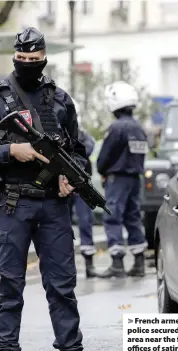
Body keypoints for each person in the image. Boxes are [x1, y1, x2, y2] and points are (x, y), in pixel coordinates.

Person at [0, 27, 111, 351]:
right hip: (13, 204)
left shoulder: (59, 100)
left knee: (62, 288)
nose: (29, 64)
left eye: (36, 59)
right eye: (23, 59)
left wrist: (71, 179)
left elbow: (78, 152)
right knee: (10, 288)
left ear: (45, 57)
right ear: (16, 57)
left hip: (54, 206)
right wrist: (12, 152)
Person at [96, 81, 148, 279]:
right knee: (133, 217)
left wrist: (102, 169)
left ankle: (117, 263)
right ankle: (139, 262)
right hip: (135, 179)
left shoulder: (117, 127)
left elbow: (105, 156)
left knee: (112, 217)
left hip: (117, 179)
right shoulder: (139, 128)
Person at [71, 98, 97, 278]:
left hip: (81, 187)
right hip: (60, 189)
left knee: (85, 222)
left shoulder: (84, 137)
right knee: (59, 225)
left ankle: (89, 264)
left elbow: (87, 148)